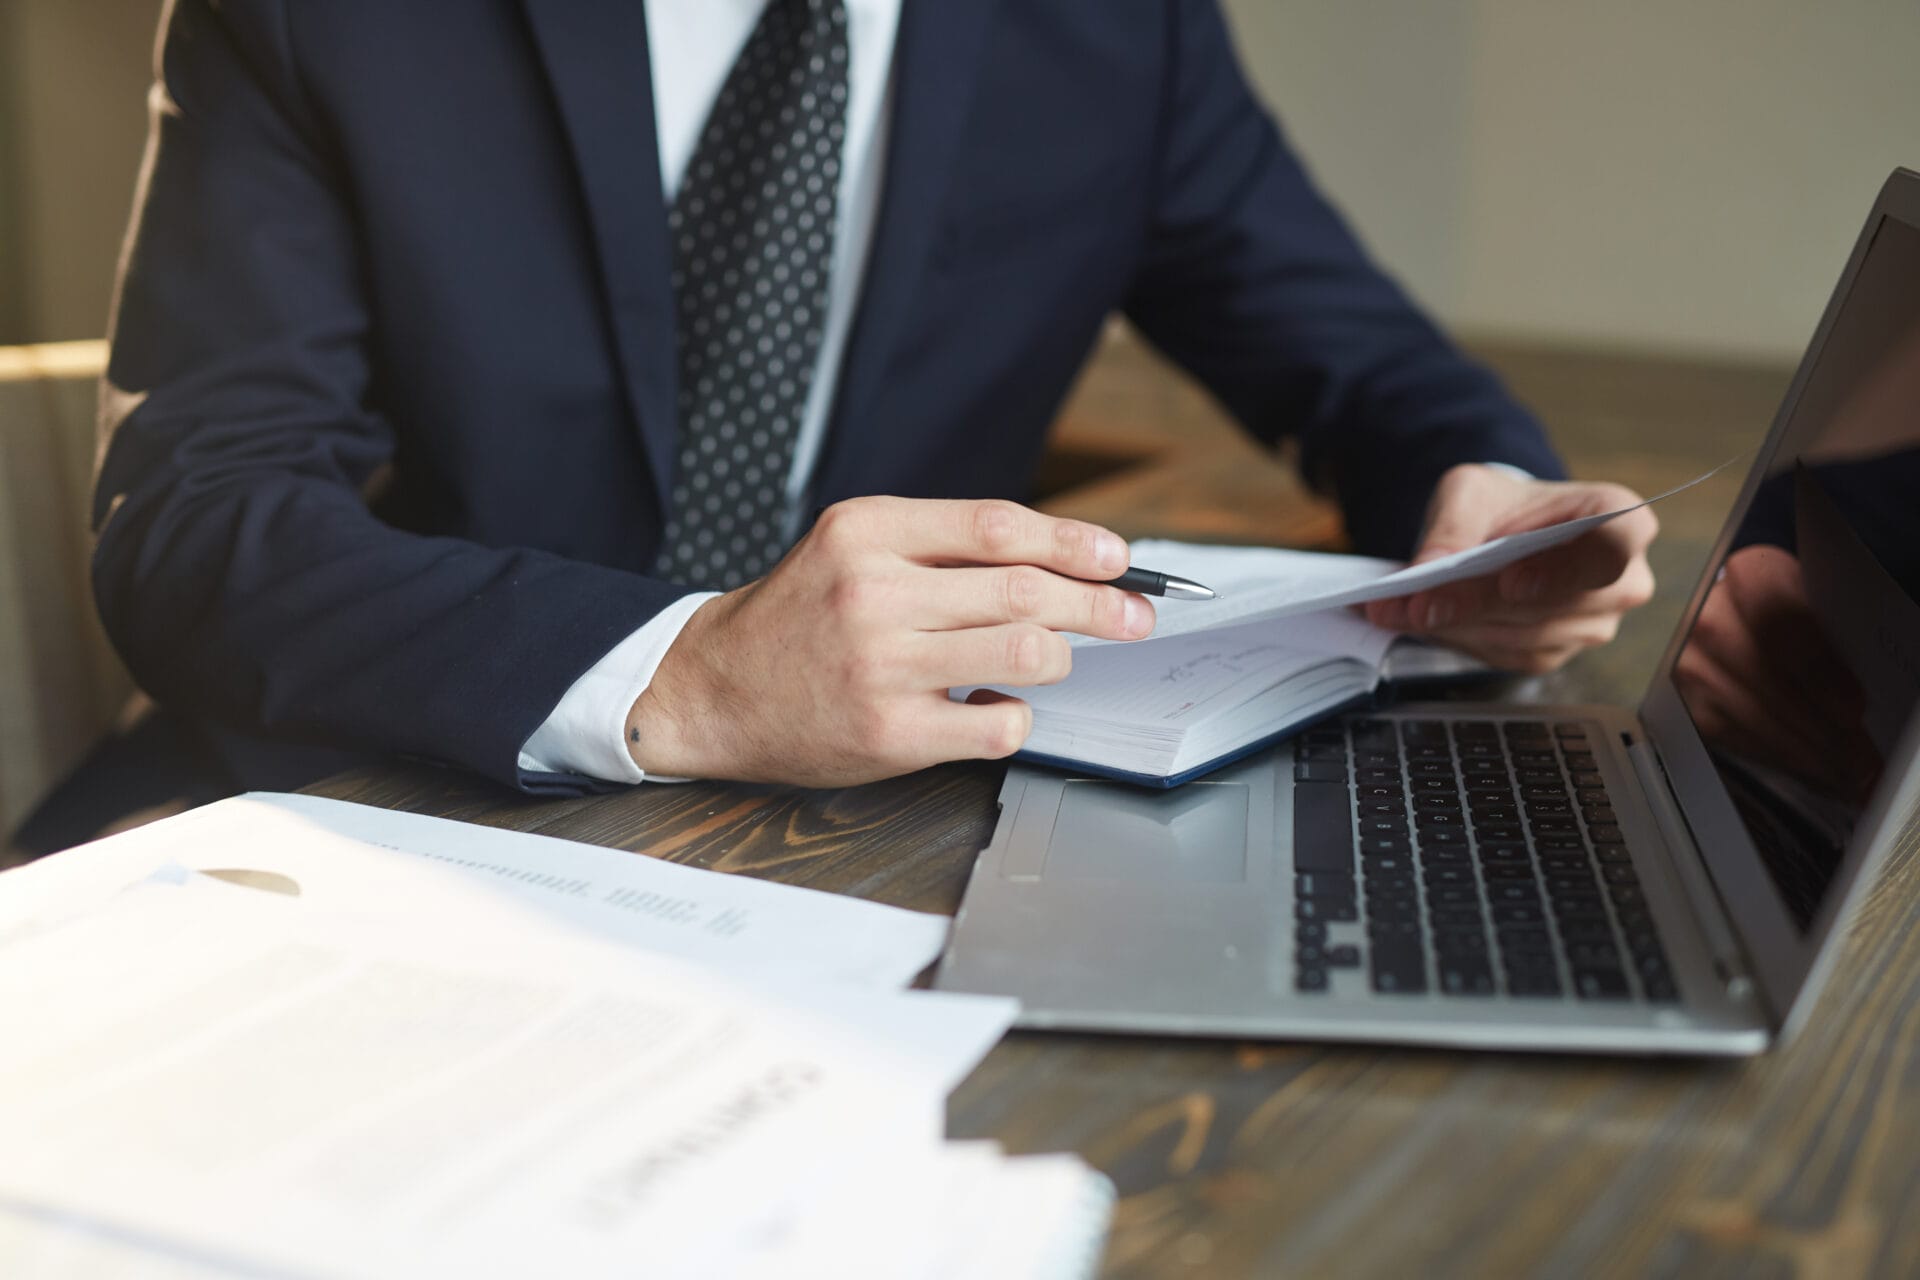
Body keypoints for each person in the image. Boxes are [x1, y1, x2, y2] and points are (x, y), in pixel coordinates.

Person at [36, 0, 1658, 846]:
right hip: (358, 801)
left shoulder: (1117, 29)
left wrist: (1488, 487)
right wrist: (692, 671)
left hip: (855, 844)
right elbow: (194, 520)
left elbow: (1355, 357)